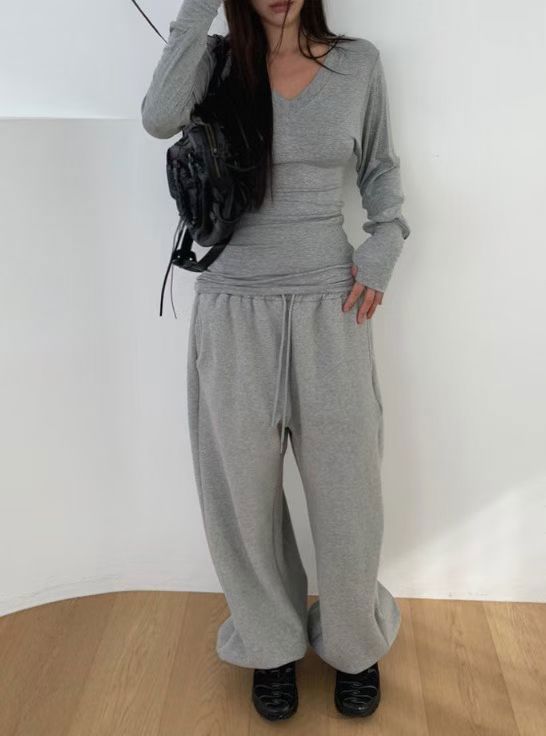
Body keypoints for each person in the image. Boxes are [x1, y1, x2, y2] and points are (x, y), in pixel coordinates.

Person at [141, 0, 410, 722]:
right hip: (233, 307)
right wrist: (197, 11)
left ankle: (354, 644)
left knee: (349, 496)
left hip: (332, 303)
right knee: (241, 496)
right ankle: (270, 645)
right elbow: (159, 118)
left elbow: (380, 168)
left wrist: (384, 242)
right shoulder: (214, 64)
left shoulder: (358, 64)